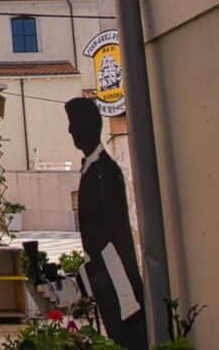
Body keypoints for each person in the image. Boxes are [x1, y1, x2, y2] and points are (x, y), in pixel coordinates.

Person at [65, 97, 148, 350]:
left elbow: (112, 233)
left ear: (89, 125)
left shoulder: (104, 172)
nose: (70, 131)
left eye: (74, 124)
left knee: (127, 335)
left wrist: (93, 276)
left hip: (115, 276)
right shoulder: (94, 169)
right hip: (105, 274)